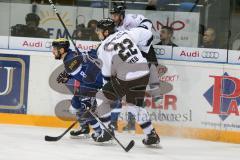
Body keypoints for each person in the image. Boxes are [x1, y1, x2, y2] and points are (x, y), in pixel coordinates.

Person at [93, 18, 160, 146]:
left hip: (126, 77)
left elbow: (107, 76)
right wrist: (143, 51)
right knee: (133, 106)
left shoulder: (103, 48)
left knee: (100, 97)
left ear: (106, 32)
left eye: (100, 31)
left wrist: (108, 97)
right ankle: (151, 135)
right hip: (143, 72)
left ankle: (107, 131)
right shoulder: (127, 33)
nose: (98, 33)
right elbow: (148, 35)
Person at [51, 38, 103, 138]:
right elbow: (83, 65)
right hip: (89, 83)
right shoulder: (71, 55)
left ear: (62, 50)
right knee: (75, 105)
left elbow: (87, 76)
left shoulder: (70, 60)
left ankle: (100, 132)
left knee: (85, 108)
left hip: (94, 83)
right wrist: (68, 75)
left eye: (54, 49)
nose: (52, 51)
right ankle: (84, 128)